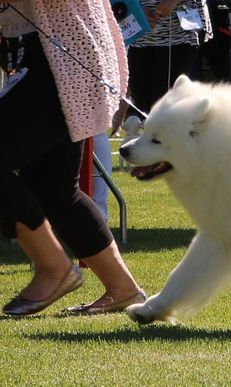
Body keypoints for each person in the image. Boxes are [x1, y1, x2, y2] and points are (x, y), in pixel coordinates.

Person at [0, 0, 145, 316]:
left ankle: (53, 268)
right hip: (47, 64)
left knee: (52, 186)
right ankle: (122, 289)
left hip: (63, 66)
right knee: (54, 188)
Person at [126, 0, 212, 118]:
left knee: (164, 98)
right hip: (139, 33)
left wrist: (173, 1)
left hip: (179, 34)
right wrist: (135, 9)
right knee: (140, 100)